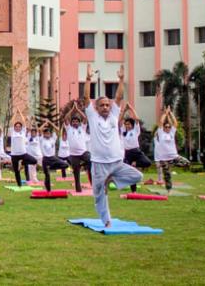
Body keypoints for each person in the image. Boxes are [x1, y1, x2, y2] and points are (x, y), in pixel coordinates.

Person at [81, 65, 143, 227]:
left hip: (116, 162)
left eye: (107, 105)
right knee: (99, 194)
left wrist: (121, 80)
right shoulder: (93, 117)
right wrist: (88, 79)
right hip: (99, 163)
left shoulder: (115, 115)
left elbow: (119, 97)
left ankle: (112, 179)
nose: (106, 107)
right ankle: (106, 221)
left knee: (138, 177)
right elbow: (86, 98)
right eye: (102, 105)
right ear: (96, 108)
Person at [153, 106, 189, 193]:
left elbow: (175, 123)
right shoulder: (161, 133)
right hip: (164, 158)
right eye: (166, 127)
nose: (168, 128)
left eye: (169, 127)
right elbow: (161, 122)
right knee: (167, 175)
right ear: (164, 128)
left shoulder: (172, 132)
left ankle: (171, 164)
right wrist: (165, 114)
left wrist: (170, 113)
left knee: (186, 163)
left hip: (173, 156)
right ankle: (169, 190)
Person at [120, 103, 152, 192]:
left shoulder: (135, 130)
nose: (127, 126)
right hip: (127, 153)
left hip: (136, 152)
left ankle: (135, 163)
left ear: (132, 125)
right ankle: (133, 191)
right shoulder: (123, 132)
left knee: (148, 162)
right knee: (131, 173)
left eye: (129, 124)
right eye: (126, 124)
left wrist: (130, 108)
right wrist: (124, 111)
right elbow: (120, 120)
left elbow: (137, 119)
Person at [65, 102, 91, 192]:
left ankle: (92, 181)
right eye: (73, 121)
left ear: (79, 123)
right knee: (76, 173)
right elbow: (65, 118)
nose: (75, 123)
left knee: (90, 160)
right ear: (71, 123)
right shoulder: (69, 129)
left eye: (77, 121)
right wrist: (72, 110)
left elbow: (85, 118)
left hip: (83, 152)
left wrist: (78, 110)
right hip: (73, 154)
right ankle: (78, 190)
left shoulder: (82, 128)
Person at [39, 122, 69, 192]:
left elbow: (58, 130)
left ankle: (51, 168)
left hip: (53, 158)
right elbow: (39, 129)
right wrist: (45, 123)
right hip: (46, 159)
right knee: (47, 176)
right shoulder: (41, 139)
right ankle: (48, 190)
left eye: (49, 133)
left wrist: (50, 123)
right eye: (46, 133)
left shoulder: (53, 139)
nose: (48, 135)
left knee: (65, 165)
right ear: (44, 134)